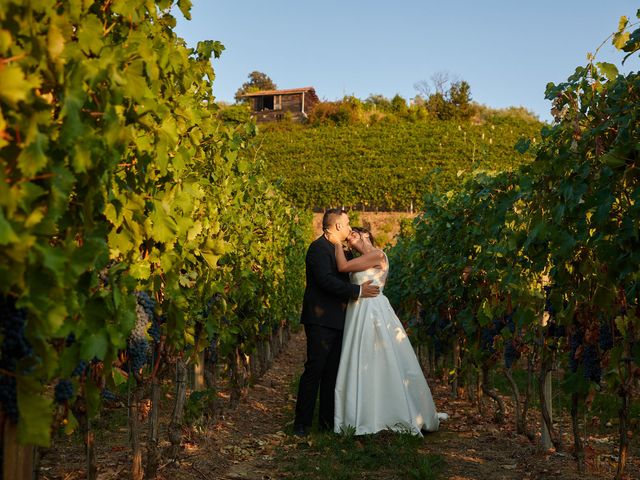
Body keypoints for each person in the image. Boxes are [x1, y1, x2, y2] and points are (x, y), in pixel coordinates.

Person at [329, 226, 446, 436]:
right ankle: (363, 412)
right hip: (359, 310)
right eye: (348, 238)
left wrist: (336, 240)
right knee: (362, 357)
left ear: (367, 235)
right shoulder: (363, 257)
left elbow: (343, 266)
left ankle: (389, 412)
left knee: (380, 357)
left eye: (354, 234)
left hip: (373, 310)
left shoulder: (377, 255)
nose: (350, 239)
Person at [293, 209, 380, 437]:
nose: (351, 226)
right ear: (338, 226)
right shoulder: (318, 249)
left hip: (342, 319)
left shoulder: (342, 251)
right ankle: (301, 424)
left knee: (333, 372)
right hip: (320, 319)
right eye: (348, 222)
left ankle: (326, 422)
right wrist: (358, 291)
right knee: (315, 369)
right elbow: (325, 281)